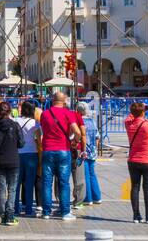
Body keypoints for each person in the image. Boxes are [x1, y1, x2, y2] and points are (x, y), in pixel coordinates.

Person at [39, 91, 82, 220]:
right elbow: (77, 131)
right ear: (64, 101)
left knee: (46, 182)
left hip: (47, 150)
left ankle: (46, 212)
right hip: (63, 150)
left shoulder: (45, 114)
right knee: (64, 182)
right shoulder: (68, 113)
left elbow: (42, 130)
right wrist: (75, 141)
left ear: (53, 100)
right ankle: (65, 212)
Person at [0, 101, 22, 226]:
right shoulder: (15, 125)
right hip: (13, 159)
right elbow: (21, 143)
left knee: (1, 189)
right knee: (12, 189)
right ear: (10, 111)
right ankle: (10, 215)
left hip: (0, 160)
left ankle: (2, 214)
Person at [14, 100, 41, 218]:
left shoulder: (15, 121)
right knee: (29, 183)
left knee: (16, 183)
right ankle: (29, 209)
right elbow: (39, 139)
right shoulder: (35, 123)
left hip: (18, 154)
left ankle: (15, 207)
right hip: (32, 154)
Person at [77, 101, 101, 206]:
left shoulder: (79, 121)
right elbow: (97, 137)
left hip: (84, 151)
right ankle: (97, 197)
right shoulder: (92, 121)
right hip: (92, 151)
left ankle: (88, 198)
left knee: (85, 175)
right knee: (92, 174)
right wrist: (95, 148)